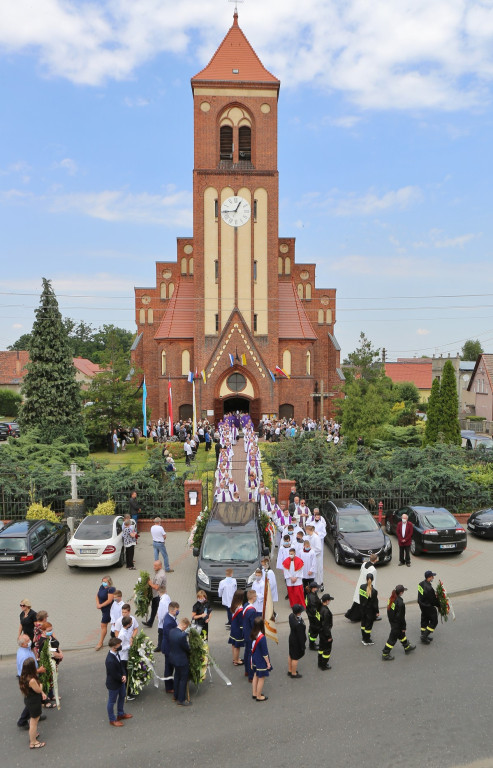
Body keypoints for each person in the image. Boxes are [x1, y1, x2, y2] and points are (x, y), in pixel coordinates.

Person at [16, 635, 46, 730]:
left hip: (31, 676)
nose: (30, 641)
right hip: (29, 679)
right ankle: (23, 720)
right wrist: (39, 670)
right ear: (23, 644)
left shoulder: (25, 649)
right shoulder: (24, 656)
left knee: (34, 700)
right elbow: (26, 672)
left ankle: (36, 713)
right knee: (32, 700)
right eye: (28, 640)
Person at [382, 585, 416, 661]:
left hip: (392, 621)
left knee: (401, 635)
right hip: (397, 624)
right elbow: (401, 617)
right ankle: (385, 654)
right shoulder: (400, 603)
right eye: (403, 591)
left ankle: (407, 647)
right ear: (401, 592)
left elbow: (389, 610)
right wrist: (403, 627)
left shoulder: (391, 598)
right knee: (392, 639)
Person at [18, 658, 47, 749]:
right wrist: (41, 685)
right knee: (34, 722)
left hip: (28, 699)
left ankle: (33, 735)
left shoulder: (23, 677)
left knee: (32, 720)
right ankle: (33, 742)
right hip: (34, 702)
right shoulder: (32, 680)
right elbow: (38, 689)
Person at [105, 636, 133, 726]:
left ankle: (120, 714)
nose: (120, 646)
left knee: (122, 697)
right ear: (114, 647)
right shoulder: (110, 660)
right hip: (114, 684)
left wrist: (124, 674)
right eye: (119, 645)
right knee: (111, 701)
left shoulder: (117, 654)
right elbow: (113, 674)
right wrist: (122, 678)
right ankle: (112, 719)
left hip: (120, 681)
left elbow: (121, 665)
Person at [345, 554, 379, 622]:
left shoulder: (364, 564)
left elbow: (361, 571)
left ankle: (352, 615)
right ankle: (373, 616)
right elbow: (372, 580)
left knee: (359, 601)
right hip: (367, 586)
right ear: (376, 560)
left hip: (360, 584)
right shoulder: (373, 569)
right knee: (370, 602)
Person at [169, 618, 192, 707]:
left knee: (177, 676)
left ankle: (175, 695)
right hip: (181, 660)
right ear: (185, 625)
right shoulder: (182, 636)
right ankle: (181, 699)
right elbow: (186, 648)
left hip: (173, 659)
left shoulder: (171, 631)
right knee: (183, 679)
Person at [250, 617, 272, 702]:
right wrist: (268, 663)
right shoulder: (262, 638)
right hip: (260, 660)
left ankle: (254, 693)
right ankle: (259, 696)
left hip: (255, 657)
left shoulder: (253, 634)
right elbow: (265, 653)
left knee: (255, 675)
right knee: (261, 678)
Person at [162, 602, 180, 695]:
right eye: (177, 610)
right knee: (169, 668)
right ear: (172, 611)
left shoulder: (170, 617)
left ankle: (170, 684)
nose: (178, 611)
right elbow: (171, 636)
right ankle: (169, 687)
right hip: (169, 648)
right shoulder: (169, 622)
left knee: (169, 667)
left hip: (169, 647)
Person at [142, 561, 167, 628]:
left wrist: (150, 583)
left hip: (158, 595)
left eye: (155, 566)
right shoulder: (159, 572)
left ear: (160, 566)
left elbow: (156, 587)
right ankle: (150, 622)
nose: (154, 567)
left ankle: (163, 623)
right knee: (154, 608)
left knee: (160, 609)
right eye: (154, 565)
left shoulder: (160, 576)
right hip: (156, 595)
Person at [418, 570, 439, 644]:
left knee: (425, 619)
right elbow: (433, 601)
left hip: (422, 605)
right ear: (429, 577)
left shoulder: (420, 584)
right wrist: (439, 605)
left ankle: (423, 634)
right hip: (428, 607)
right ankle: (424, 636)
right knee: (434, 621)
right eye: (432, 576)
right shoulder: (429, 588)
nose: (433, 577)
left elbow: (421, 594)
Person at [95, 576, 115, 651]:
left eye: (105, 582)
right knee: (112, 624)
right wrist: (97, 604)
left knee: (103, 625)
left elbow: (109, 600)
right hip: (103, 609)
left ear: (109, 582)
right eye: (103, 581)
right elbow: (97, 596)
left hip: (109, 610)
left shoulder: (111, 589)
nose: (103, 583)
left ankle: (100, 642)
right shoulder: (101, 587)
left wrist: (101, 605)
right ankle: (115, 638)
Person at [242, 590, 258, 682]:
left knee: (247, 652)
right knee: (250, 655)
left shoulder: (245, 605)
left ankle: (247, 671)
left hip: (245, 632)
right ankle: (251, 675)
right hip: (250, 634)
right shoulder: (252, 610)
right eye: (255, 596)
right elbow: (253, 624)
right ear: (253, 598)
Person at [359, 574, 379, 646]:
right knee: (368, 626)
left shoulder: (361, 587)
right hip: (369, 611)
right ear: (372, 579)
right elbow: (375, 604)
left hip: (362, 609)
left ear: (366, 579)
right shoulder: (374, 591)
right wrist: (377, 612)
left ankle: (363, 637)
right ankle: (367, 640)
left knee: (363, 623)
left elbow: (360, 597)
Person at [288, 604, 306, 679]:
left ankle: (290, 670)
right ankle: (293, 673)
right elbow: (301, 636)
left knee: (291, 654)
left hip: (292, 638)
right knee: (295, 657)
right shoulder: (299, 624)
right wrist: (303, 645)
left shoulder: (291, 616)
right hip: (297, 641)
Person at [318, 594, 335, 670]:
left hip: (321, 632)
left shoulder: (320, 608)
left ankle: (320, 663)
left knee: (321, 648)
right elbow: (326, 626)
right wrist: (329, 637)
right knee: (327, 650)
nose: (330, 601)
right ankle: (324, 665)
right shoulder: (326, 611)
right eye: (330, 600)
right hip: (325, 633)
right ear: (327, 601)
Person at [228, 590, 245, 666]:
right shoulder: (240, 609)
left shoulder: (233, 605)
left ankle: (234, 658)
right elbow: (241, 622)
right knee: (237, 646)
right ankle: (236, 660)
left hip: (233, 627)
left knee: (233, 644)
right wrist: (243, 630)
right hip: (238, 629)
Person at [305, 582, 321, 651]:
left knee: (312, 628)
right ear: (313, 588)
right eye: (316, 587)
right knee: (314, 630)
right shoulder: (311, 597)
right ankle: (312, 645)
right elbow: (314, 609)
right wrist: (319, 616)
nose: (317, 588)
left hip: (310, 615)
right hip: (313, 616)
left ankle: (312, 643)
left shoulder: (311, 594)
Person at [156, 586, 171, 652]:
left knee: (161, 634)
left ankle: (160, 647)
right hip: (167, 619)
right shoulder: (167, 597)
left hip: (163, 621)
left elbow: (162, 613)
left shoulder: (162, 601)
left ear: (158, 592)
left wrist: (159, 617)